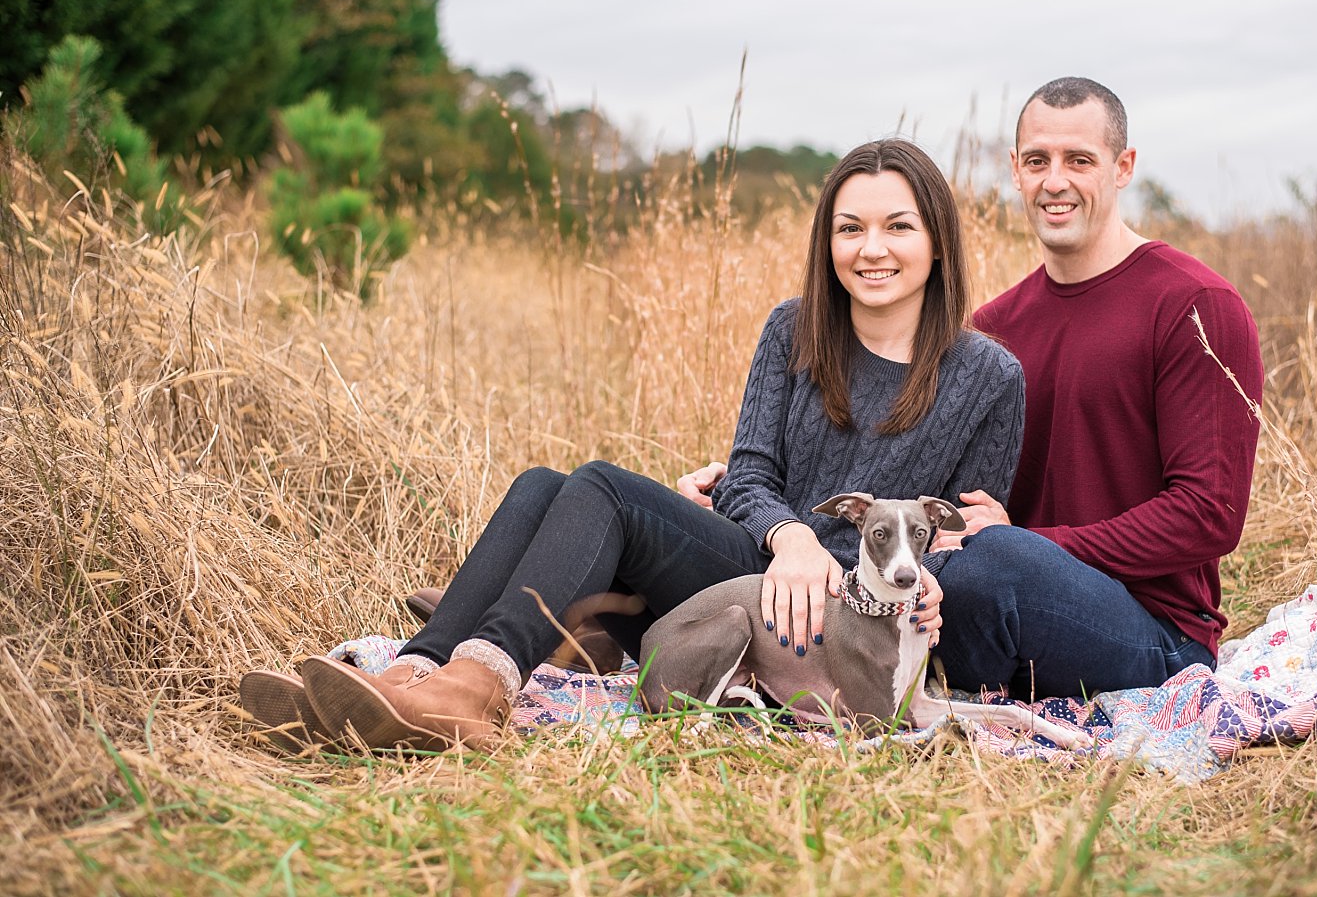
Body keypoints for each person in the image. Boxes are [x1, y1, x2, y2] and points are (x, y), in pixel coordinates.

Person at [242, 138, 1028, 751]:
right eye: (849, 227)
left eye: (898, 226)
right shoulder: (795, 328)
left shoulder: (989, 377)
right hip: (756, 575)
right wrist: (789, 536)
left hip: (836, 624)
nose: (872, 248)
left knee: (604, 486)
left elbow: (965, 536)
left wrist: (927, 581)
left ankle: (476, 687)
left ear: (937, 240)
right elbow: (750, 474)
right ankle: (415, 675)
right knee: (545, 483)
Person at [682, 77, 1263, 701]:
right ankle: (845, 680)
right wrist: (753, 501)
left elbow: (1211, 515)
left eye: (1080, 161)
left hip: (1149, 629)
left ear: (1123, 168)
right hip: (992, 591)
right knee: (940, 581)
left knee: (990, 567)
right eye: (1038, 161)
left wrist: (1027, 541)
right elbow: (927, 505)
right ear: (1015, 170)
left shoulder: (1195, 306)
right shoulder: (993, 333)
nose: (1055, 180)